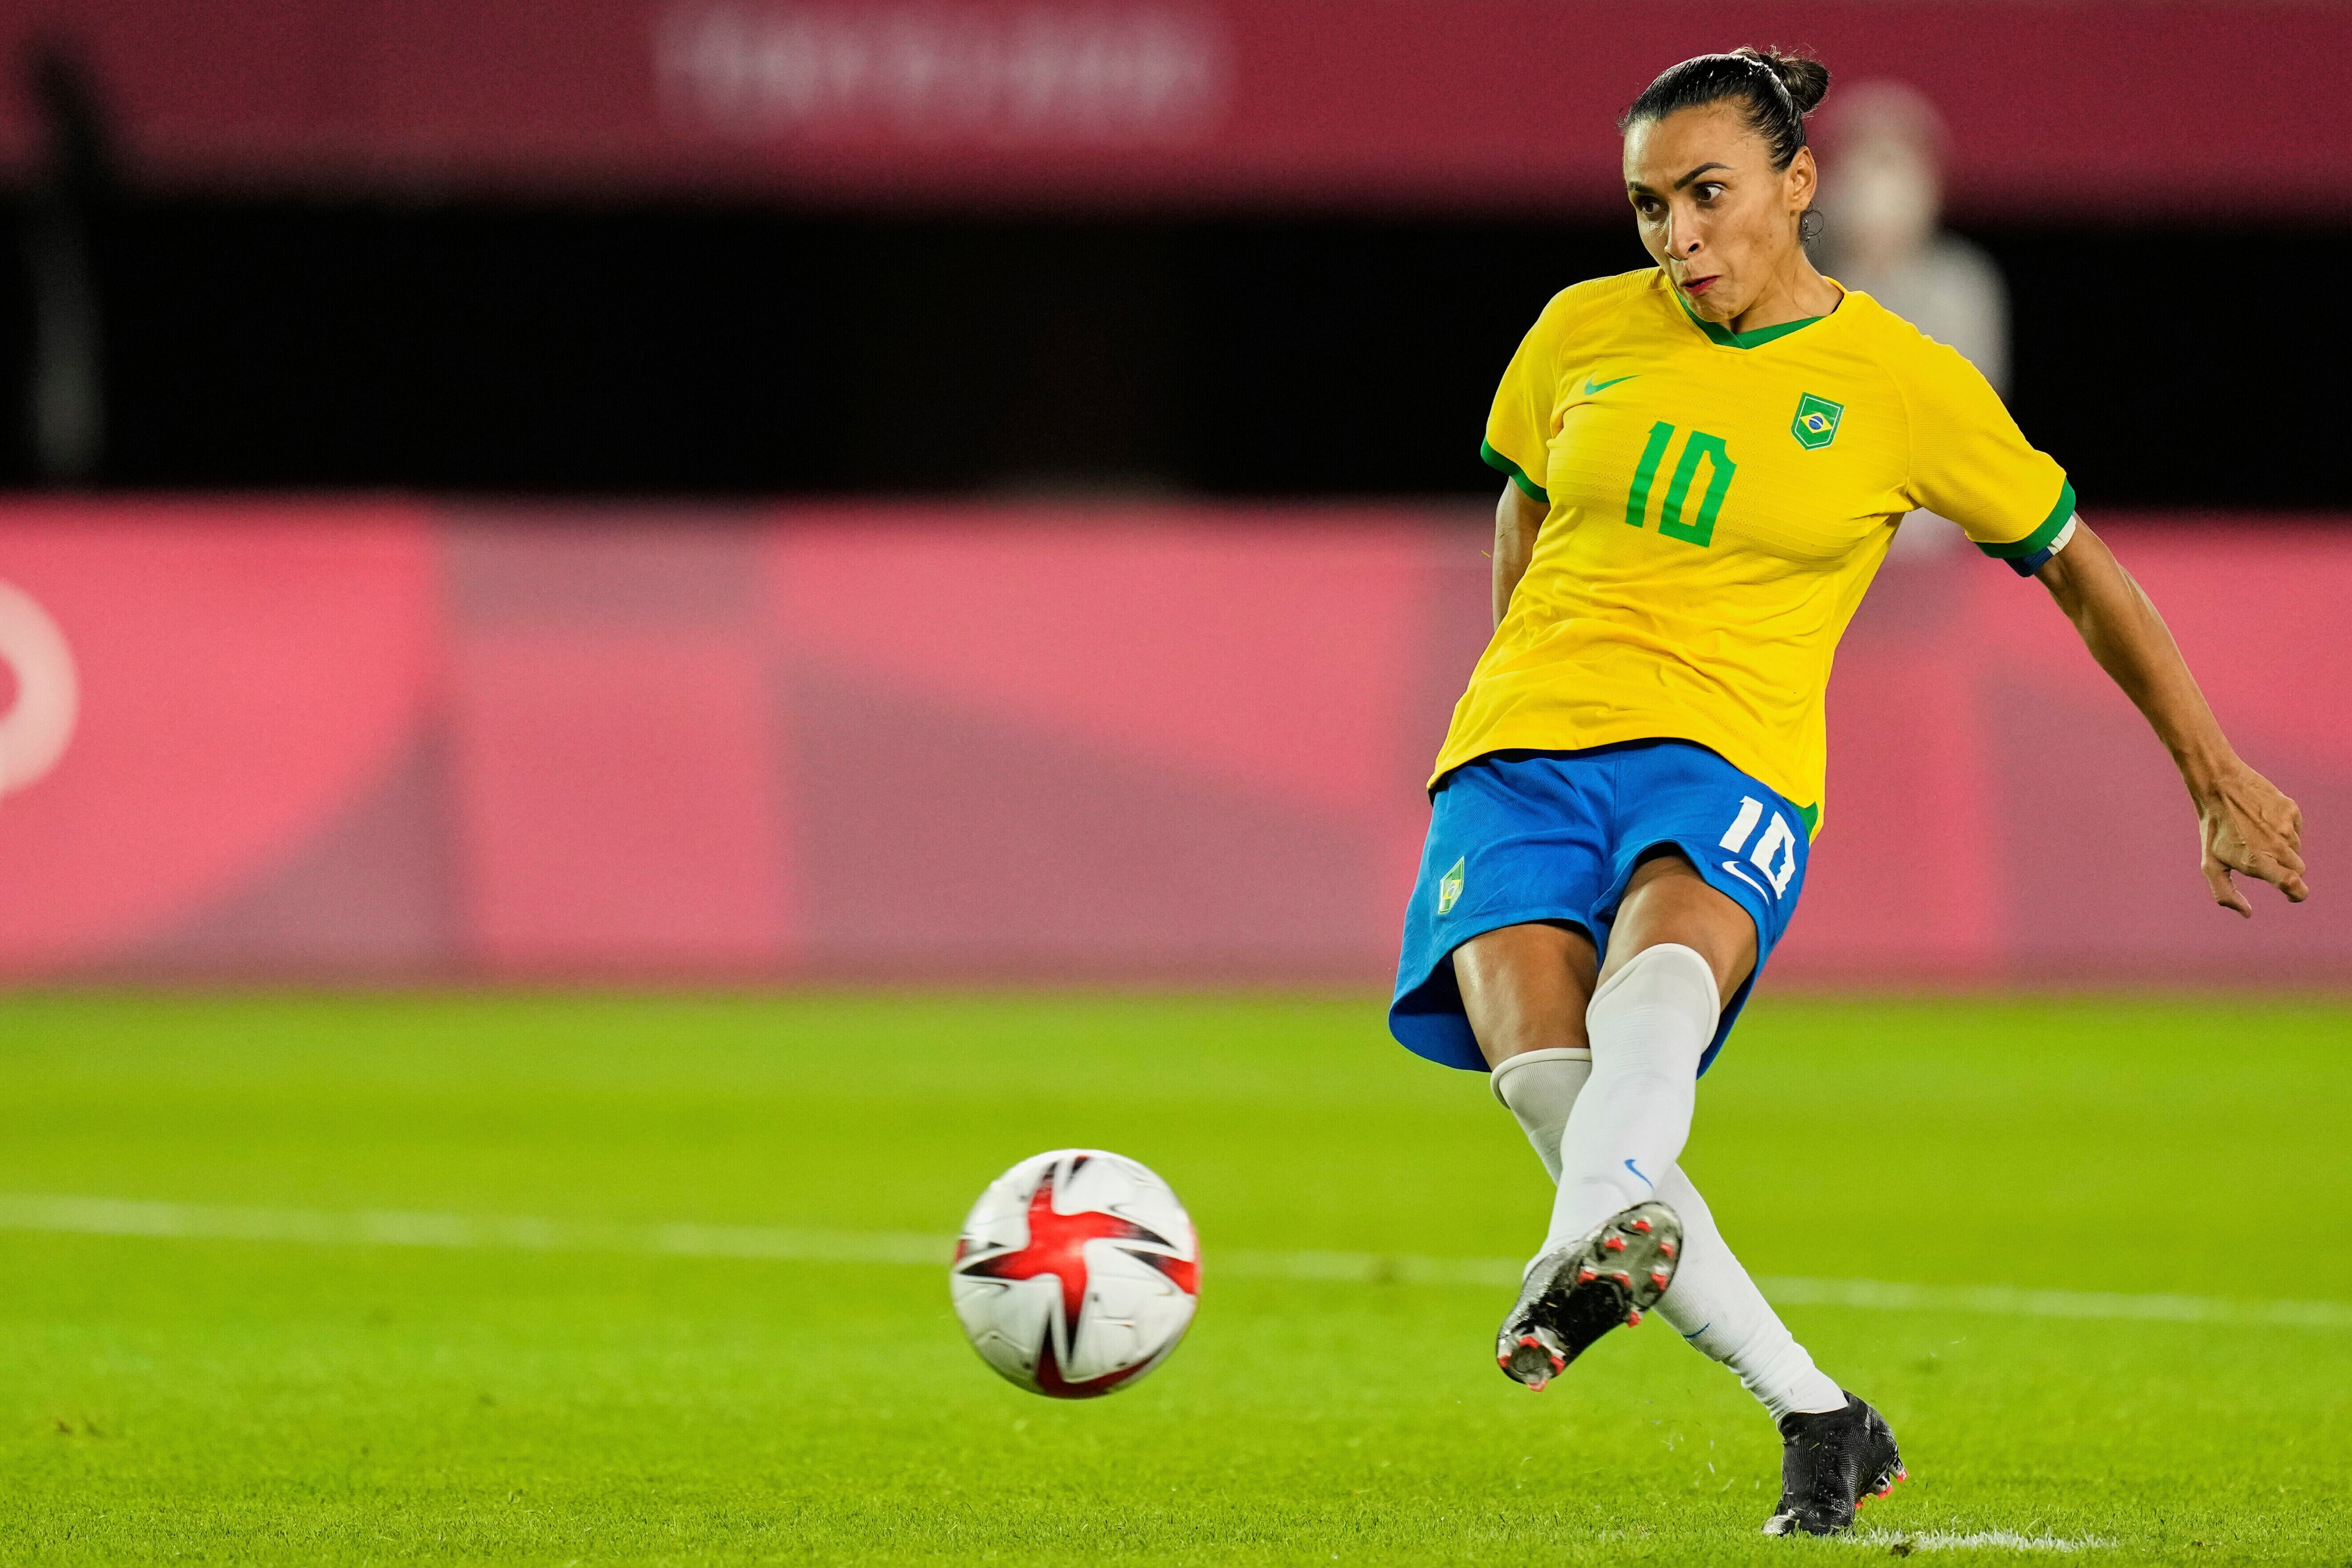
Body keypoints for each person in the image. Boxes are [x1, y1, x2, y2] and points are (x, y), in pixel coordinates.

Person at [1385, 47, 2307, 1538]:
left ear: (1797, 186)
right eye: (1647, 209)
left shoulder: (1899, 382)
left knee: (1648, 1013)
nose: (1677, 238)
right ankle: (1819, 1415)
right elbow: (1525, 505)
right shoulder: (1576, 331)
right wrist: (1511, 694)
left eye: (1706, 196)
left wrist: (2209, 770)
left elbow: (2080, 565)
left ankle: (1584, 1243)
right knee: (1562, 1098)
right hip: (1518, 752)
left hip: (1729, 753)